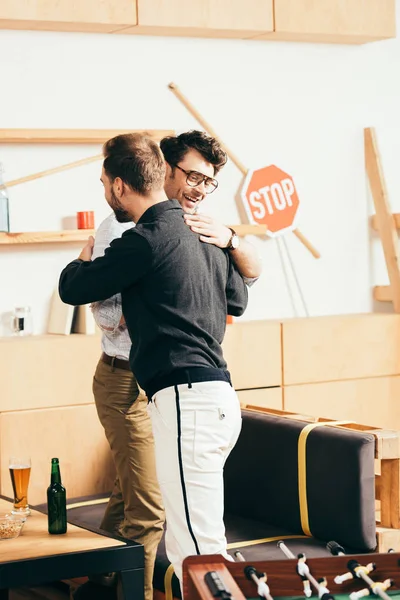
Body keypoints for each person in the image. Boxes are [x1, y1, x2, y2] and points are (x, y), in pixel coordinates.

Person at [59, 132, 248, 590]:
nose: (106, 192)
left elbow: (73, 288)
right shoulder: (205, 233)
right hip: (216, 399)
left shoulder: (144, 239)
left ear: (121, 186)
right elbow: (238, 297)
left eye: (105, 183)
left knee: (197, 555)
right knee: (198, 546)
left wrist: (81, 259)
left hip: (188, 405)